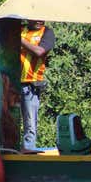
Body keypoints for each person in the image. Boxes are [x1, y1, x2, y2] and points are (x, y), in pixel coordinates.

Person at [19, 20, 55, 151]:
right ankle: (8, 146)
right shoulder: (20, 29)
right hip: (11, 80)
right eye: (36, 17)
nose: (40, 20)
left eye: (42, 17)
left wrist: (18, 40)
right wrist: (1, 35)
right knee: (8, 116)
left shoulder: (47, 32)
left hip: (31, 81)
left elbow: (39, 51)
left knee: (29, 117)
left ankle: (29, 146)